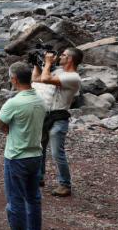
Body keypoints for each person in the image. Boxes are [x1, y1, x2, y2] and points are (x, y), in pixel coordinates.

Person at [0, 62, 46, 230]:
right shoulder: (40, 99)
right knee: (33, 198)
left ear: (14, 79)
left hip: (17, 156)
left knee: (15, 201)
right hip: (36, 154)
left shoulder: (14, 102)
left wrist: (8, 129)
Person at [33, 46, 82, 197]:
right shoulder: (59, 72)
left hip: (59, 117)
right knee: (39, 148)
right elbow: (36, 79)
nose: (60, 56)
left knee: (56, 153)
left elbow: (46, 79)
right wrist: (37, 63)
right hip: (46, 115)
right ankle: (39, 177)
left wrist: (48, 63)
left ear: (70, 59)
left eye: (64, 55)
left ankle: (65, 184)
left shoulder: (73, 77)